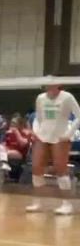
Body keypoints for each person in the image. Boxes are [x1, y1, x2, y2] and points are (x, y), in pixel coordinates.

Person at [28, 84, 80, 215]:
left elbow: (79, 116)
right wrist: (36, 132)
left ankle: (67, 204)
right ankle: (38, 203)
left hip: (60, 137)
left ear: (58, 84)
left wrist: (69, 133)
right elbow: (38, 118)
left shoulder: (67, 97)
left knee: (60, 169)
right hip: (43, 136)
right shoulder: (40, 98)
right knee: (36, 167)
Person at [0, 114, 32, 183]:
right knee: (0, 147)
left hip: (20, 153)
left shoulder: (26, 132)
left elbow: (23, 144)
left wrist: (16, 132)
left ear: (20, 124)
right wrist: (2, 146)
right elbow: (6, 144)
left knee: (2, 155)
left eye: (14, 123)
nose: (12, 124)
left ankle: (0, 176)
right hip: (9, 151)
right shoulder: (9, 133)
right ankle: (4, 164)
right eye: (11, 123)